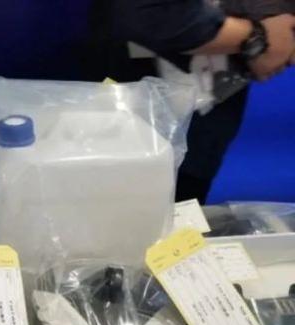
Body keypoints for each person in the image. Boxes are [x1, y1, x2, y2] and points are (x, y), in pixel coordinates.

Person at [80, 0, 295, 203]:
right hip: (124, 94)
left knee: (184, 199)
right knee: (116, 205)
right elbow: (148, 14)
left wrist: (273, 27)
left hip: (212, 99)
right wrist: (258, 38)